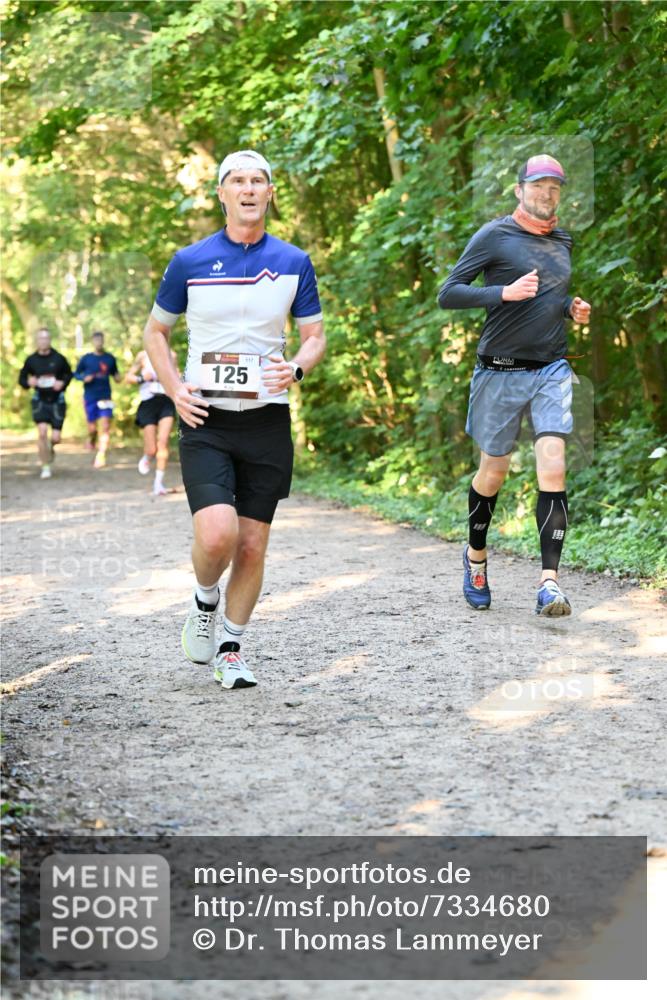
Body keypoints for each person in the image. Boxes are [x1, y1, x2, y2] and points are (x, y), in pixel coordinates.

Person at [143, 149, 326, 689]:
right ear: (221, 194)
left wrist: (294, 368)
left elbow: (314, 336)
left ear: (270, 193)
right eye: (237, 181)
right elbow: (156, 332)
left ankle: (230, 647)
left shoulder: (294, 261)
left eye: (258, 181)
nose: (248, 189)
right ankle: (204, 600)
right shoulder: (190, 261)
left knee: (252, 544)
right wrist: (175, 390)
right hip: (207, 419)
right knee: (218, 534)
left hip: (267, 420)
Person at [438, 154, 591, 617]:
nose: (547, 194)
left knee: (554, 467)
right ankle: (476, 557)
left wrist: (569, 308)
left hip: (550, 369)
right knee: (494, 473)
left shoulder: (562, 240)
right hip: (499, 371)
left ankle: (549, 584)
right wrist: (501, 293)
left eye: (554, 188)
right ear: (519, 190)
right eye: (538, 186)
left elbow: (548, 296)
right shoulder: (494, 236)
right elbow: (449, 292)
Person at [18, 327, 72, 479]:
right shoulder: (31, 360)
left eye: (46, 338)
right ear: (37, 341)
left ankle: (50, 448)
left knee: (55, 438)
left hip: (57, 401)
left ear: (50, 340)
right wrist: (29, 382)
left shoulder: (59, 359)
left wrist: (62, 383)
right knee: (42, 433)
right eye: (41, 338)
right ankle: (45, 466)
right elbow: (22, 380)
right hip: (40, 401)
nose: (43, 341)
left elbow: (69, 374)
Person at [125, 348, 177, 495]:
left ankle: (158, 483)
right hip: (148, 403)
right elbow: (128, 377)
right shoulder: (142, 355)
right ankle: (148, 456)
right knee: (152, 449)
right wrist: (142, 378)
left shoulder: (171, 355)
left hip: (166, 402)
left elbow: (177, 375)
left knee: (163, 442)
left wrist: (174, 378)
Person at [74, 331, 121, 468]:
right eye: (96, 340)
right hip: (90, 397)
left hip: (105, 396)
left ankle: (101, 455)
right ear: (93, 342)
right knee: (92, 428)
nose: (99, 343)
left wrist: (119, 377)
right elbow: (76, 374)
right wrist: (83, 378)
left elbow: (116, 375)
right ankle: (92, 438)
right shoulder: (86, 359)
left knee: (105, 426)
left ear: (103, 341)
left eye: (101, 340)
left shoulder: (110, 358)